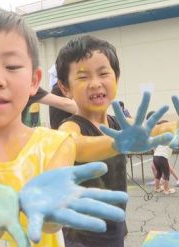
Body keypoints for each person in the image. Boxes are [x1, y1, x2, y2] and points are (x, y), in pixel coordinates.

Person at [0, 7, 127, 247]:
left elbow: (49, 225)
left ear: (34, 81)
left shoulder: (57, 144)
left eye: (12, 66)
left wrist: (46, 209)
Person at [54, 35, 129, 247]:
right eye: (83, 77)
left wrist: (177, 127)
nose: (95, 84)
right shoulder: (71, 127)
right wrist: (119, 143)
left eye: (104, 73)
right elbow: (73, 144)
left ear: (116, 78)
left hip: (115, 227)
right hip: (82, 237)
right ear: (65, 87)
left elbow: (151, 130)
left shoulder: (118, 122)